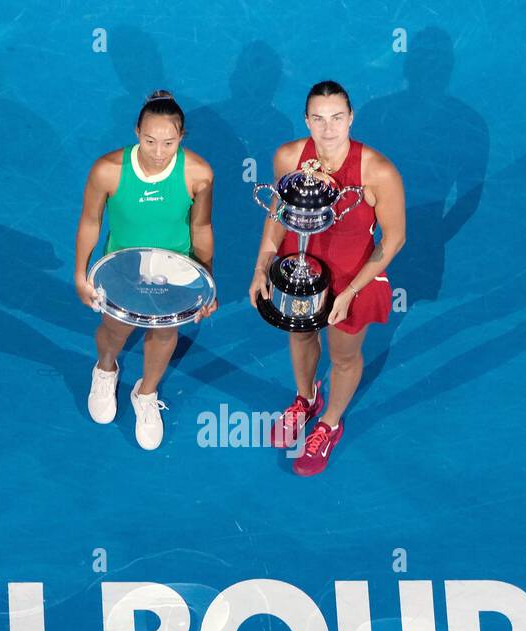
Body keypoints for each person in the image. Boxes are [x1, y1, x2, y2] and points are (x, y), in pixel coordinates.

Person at [249, 80, 406, 476]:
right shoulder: (288, 156)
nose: (328, 128)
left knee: (344, 355)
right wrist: (260, 267)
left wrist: (351, 292)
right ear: (306, 120)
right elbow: (277, 215)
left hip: (353, 276)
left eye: (337, 118)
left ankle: (330, 423)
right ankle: (306, 399)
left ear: (351, 118)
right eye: (318, 119)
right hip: (299, 268)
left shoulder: (379, 171)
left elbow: (394, 239)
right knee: (300, 335)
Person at [74, 90, 217, 450]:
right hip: (122, 268)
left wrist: (207, 283)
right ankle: (106, 369)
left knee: (165, 335)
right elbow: (90, 221)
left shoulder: (198, 173)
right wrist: (80, 273)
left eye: (168, 142)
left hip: (174, 271)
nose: (158, 151)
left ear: (181, 138)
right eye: (150, 140)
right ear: (136, 130)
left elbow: (201, 228)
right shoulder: (107, 171)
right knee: (115, 331)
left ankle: (146, 393)